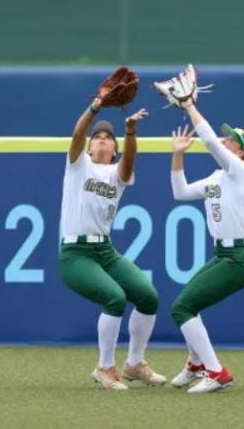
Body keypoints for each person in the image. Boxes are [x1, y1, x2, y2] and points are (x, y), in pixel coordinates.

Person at [58, 67, 166, 390]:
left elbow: (129, 164)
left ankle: (134, 364)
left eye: (108, 137)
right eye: (98, 137)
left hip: (104, 251)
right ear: (90, 148)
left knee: (148, 296)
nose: (101, 138)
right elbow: (78, 134)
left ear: (114, 149)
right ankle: (105, 368)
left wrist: (130, 131)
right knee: (115, 298)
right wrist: (96, 107)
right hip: (75, 255)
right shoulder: (79, 165)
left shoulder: (117, 175)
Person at [166, 94, 244, 393]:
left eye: (233, 139)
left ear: (242, 151)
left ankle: (215, 371)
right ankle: (196, 365)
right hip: (225, 255)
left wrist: (188, 106)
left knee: (181, 308)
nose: (226, 140)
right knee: (189, 304)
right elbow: (181, 193)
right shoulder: (218, 176)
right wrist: (178, 154)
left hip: (240, 258)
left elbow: (210, 141)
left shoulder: (240, 171)